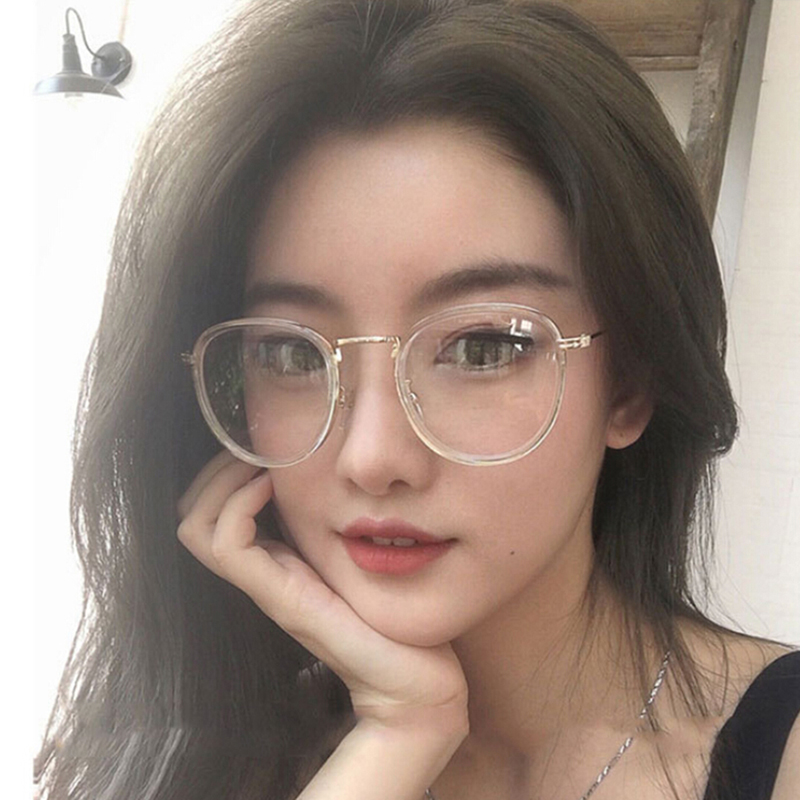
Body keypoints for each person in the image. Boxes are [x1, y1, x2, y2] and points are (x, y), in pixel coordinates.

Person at [34, 1, 799, 799]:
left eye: (483, 347)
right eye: (291, 353)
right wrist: (402, 734)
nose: (372, 457)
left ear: (631, 385)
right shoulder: (195, 752)